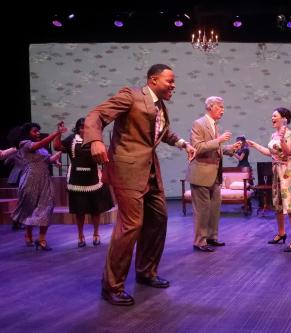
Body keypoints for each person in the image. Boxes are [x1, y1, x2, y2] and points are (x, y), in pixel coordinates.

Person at [84, 64, 196, 306]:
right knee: (131, 224)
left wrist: (183, 144)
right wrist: (95, 140)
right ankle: (111, 286)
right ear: (153, 80)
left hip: (150, 169)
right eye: (170, 81)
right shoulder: (131, 96)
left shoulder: (159, 106)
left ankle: (146, 271)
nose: (174, 85)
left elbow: (160, 132)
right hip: (127, 169)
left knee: (158, 218)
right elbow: (97, 115)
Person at [186, 96, 240, 252]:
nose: (222, 110)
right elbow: (198, 147)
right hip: (201, 173)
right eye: (220, 107)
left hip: (214, 175)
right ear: (210, 107)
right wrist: (220, 140)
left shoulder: (214, 126)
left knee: (214, 208)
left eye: (223, 107)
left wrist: (230, 149)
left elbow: (215, 149)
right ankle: (200, 241)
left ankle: (211, 237)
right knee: (202, 210)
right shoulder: (199, 123)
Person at [54, 118, 115, 247]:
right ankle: (80, 236)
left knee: (95, 210)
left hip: (92, 178)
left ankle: (96, 234)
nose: (84, 130)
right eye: (81, 127)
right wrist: (58, 133)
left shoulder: (95, 140)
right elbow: (57, 146)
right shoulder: (71, 139)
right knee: (79, 210)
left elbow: (103, 158)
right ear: (78, 128)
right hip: (77, 179)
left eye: (86, 127)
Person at [247, 107, 291, 252]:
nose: (272, 118)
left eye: (275, 116)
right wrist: (256, 145)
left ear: (283, 118)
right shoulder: (273, 135)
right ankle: (281, 233)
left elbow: (287, 152)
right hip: (276, 170)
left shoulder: (289, 134)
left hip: (287, 171)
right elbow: (270, 153)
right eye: (272, 116)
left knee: (290, 205)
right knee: (277, 204)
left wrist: (282, 139)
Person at [11, 122, 65, 251]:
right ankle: (28, 234)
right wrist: (56, 133)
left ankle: (41, 239)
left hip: (45, 180)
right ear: (27, 133)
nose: (38, 133)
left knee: (47, 208)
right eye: (35, 131)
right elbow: (39, 144)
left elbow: (48, 160)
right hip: (30, 179)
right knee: (31, 208)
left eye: (38, 131)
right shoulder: (25, 144)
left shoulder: (42, 150)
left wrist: (57, 157)